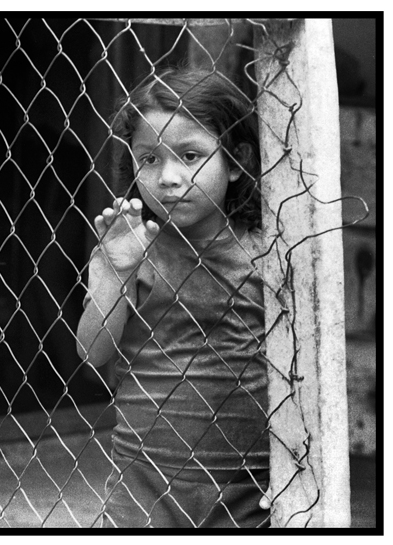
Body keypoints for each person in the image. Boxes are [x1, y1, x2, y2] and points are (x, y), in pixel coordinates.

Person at [76, 67, 270, 528]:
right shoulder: (131, 246)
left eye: (190, 155)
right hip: (143, 485)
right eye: (149, 159)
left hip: (252, 484)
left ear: (237, 159)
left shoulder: (269, 250)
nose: (168, 177)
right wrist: (113, 273)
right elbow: (93, 352)